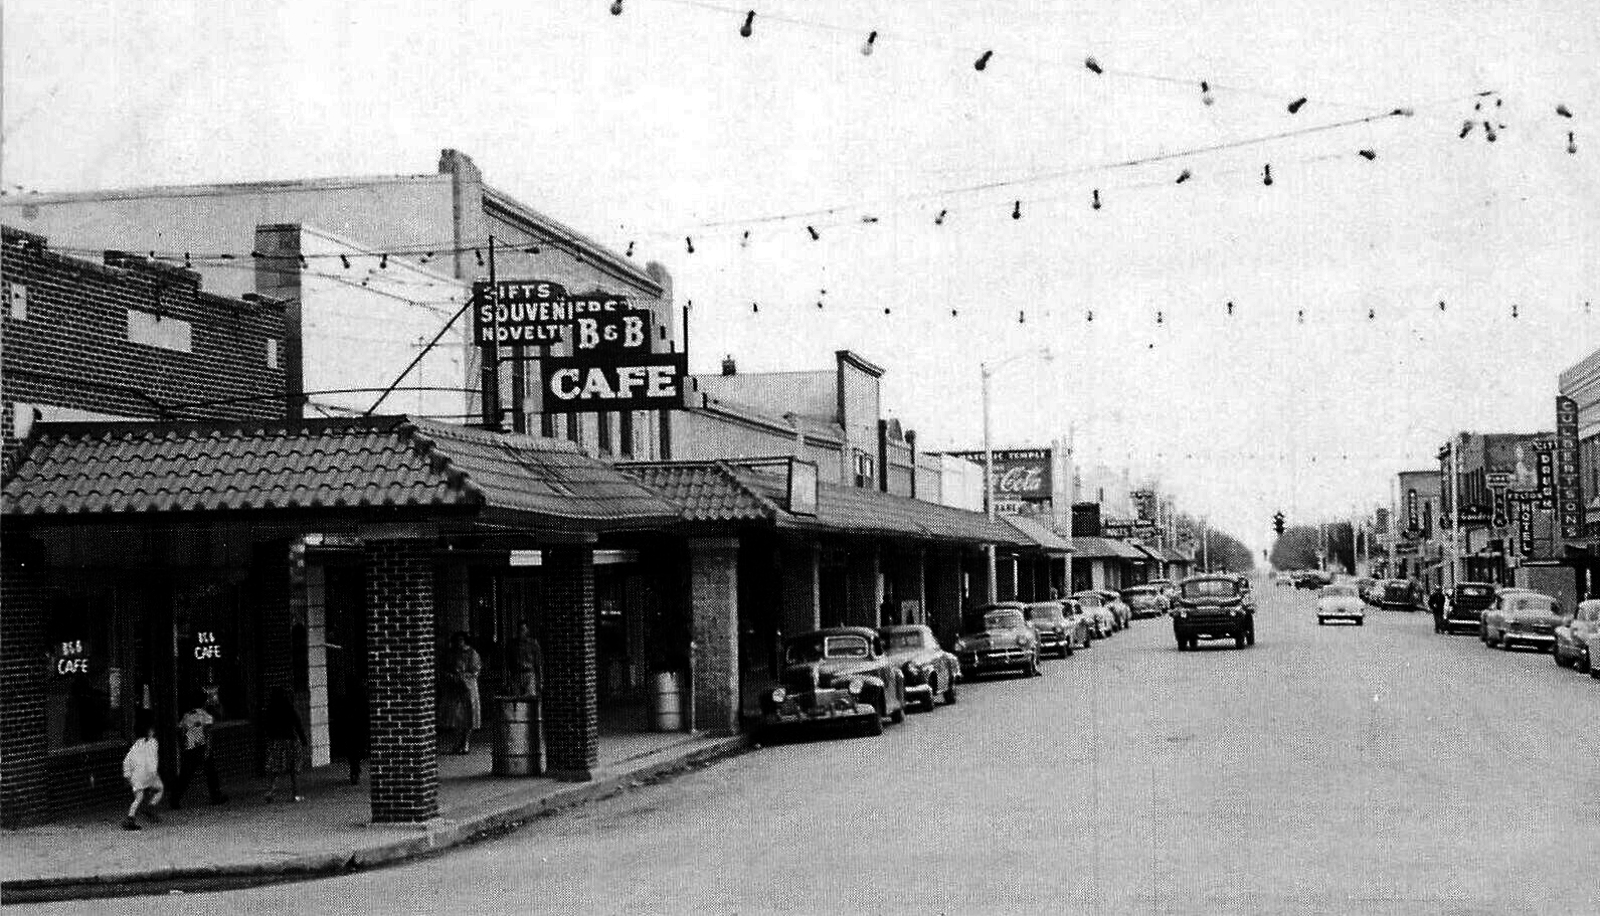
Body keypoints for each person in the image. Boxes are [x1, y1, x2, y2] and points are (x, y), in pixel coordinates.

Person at [169, 690, 227, 809]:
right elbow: (209, 732)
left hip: (190, 748)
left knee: (185, 775)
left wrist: (183, 745)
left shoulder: (187, 715)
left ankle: (175, 799)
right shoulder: (204, 715)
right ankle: (216, 796)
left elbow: (180, 730)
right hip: (202, 747)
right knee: (211, 773)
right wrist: (207, 749)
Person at [261, 687, 307, 802]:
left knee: (274, 768)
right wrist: (303, 740)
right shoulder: (289, 708)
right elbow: (298, 724)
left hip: (276, 741)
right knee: (293, 769)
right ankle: (296, 794)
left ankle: (271, 791)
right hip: (290, 739)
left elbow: (266, 726)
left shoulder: (270, 709)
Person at [121, 710, 163, 830]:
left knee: (138, 798)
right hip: (149, 774)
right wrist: (153, 774)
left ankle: (130, 818)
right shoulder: (154, 743)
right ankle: (151, 807)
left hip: (136, 776)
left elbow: (127, 760)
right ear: (150, 731)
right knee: (160, 789)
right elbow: (153, 760)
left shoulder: (136, 745)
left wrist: (127, 774)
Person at [448, 632, 482, 753]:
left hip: (469, 687)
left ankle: (466, 742)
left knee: (469, 716)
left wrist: (463, 676)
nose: (459, 643)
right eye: (457, 640)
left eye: (461, 640)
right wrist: (452, 676)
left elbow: (475, 671)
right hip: (456, 688)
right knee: (456, 716)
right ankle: (457, 743)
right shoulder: (452, 654)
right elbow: (447, 668)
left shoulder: (472, 653)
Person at [344, 681, 369, 786]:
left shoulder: (347, 700)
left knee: (353, 753)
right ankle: (355, 770)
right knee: (357, 752)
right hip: (359, 729)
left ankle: (354, 770)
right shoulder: (363, 700)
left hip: (351, 729)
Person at [510, 621, 542, 698]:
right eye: (519, 630)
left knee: (530, 699)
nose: (521, 632)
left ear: (527, 630)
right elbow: (508, 661)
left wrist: (540, 680)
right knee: (517, 700)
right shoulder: (512, 644)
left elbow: (538, 662)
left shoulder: (533, 644)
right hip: (516, 674)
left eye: (523, 630)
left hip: (529, 674)